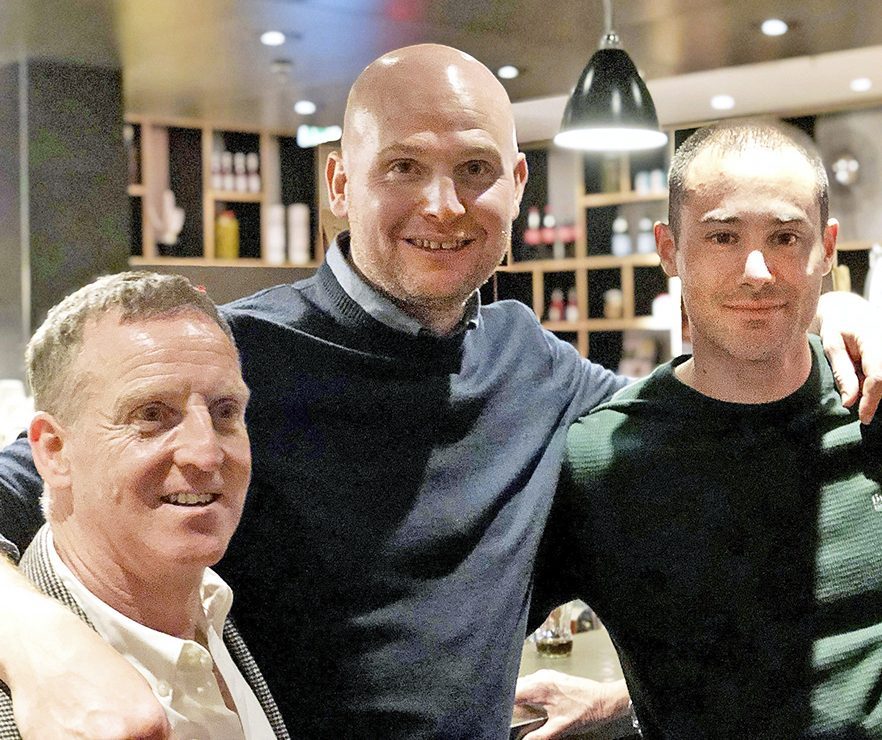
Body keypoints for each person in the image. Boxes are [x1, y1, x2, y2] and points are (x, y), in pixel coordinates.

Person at [0, 46, 879, 739]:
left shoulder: (536, 368)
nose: (445, 205)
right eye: (403, 167)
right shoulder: (228, 365)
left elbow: (710, 417)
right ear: (339, 183)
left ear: (517, 188)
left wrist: (826, 314)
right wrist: (38, 647)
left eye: (474, 169)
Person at [525, 121, 882, 738]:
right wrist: (625, 702)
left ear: (826, 248)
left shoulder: (873, 402)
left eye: (785, 237)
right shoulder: (596, 460)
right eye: (722, 236)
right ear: (669, 250)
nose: (757, 271)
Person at [0, 272, 288, 739]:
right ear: (54, 451)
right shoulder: (20, 699)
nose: (206, 453)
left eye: (225, 412)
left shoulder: (226, 609)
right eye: (151, 415)